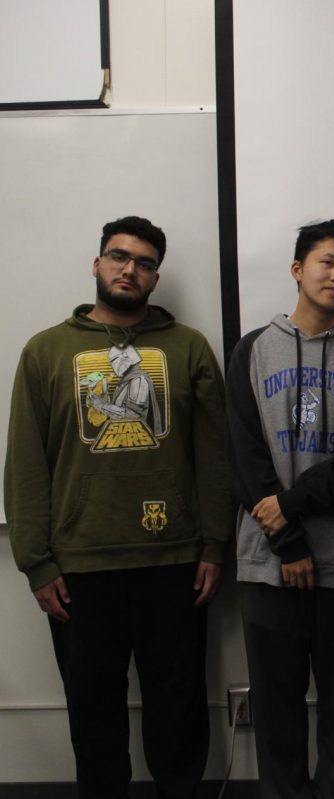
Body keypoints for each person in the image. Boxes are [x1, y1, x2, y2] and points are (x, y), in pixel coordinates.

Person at [5, 215, 232, 797]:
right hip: (80, 565)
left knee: (177, 702)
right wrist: (37, 561)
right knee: (93, 708)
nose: (130, 269)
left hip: (174, 560)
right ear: (97, 263)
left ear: (157, 276)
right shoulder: (46, 350)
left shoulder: (188, 348)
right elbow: (27, 463)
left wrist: (213, 545)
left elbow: (211, 456)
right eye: (118, 256)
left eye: (145, 262)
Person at [225, 219, 334, 799]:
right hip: (266, 561)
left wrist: (293, 509)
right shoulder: (252, 348)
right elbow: (243, 456)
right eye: (327, 262)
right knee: (276, 707)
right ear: (299, 269)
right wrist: (288, 542)